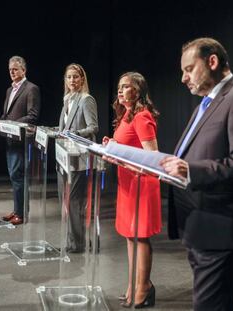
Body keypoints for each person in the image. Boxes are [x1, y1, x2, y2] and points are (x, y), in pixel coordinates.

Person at [160, 37, 233, 311]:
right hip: (199, 225)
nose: (184, 78)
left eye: (188, 69)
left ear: (212, 61)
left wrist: (191, 170)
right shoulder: (206, 103)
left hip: (222, 230)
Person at [103, 72, 161, 308]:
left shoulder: (142, 117)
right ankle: (132, 284)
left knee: (140, 236)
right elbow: (127, 147)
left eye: (126, 87)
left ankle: (144, 286)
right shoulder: (126, 114)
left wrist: (120, 153)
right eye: (119, 86)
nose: (120, 90)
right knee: (130, 235)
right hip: (127, 183)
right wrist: (112, 146)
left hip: (141, 183)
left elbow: (153, 157)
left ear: (137, 92)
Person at [57, 63, 98, 253]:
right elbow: (62, 128)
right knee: (66, 201)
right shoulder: (67, 100)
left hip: (81, 158)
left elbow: (93, 128)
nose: (72, 80)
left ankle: (78, 243)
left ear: (82, 79)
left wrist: (73, 133)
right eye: (69, 77)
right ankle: (72, 240)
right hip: (65, 156)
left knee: (74, 201)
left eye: (76, 77)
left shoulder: (86, 99)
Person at [0, 56, 41, 225]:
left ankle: (22, 214)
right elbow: (6, 114)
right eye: (10, 70)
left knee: (18, 177)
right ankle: (17, 210)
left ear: (23, 70)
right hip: (10, 138)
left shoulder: (31, 89)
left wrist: (11, 123)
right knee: (14, 176)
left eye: (15, 69)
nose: (12, 72)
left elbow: (32, 116)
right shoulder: (10, 90)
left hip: (22, 140)